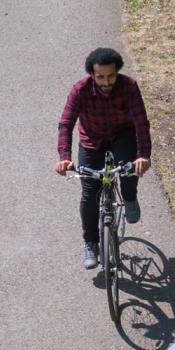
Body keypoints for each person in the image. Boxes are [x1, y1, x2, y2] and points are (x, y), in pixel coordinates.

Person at [53, 47, 150, 270]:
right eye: (100, 77)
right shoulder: (80, 90)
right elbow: (66, 124)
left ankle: (129, 197)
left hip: (122, 135)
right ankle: (91, 243)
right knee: (89, 193)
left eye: (111, 76)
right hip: (92, 140)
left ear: (118, 72)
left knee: (128, 168)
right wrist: (64, 157)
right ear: (92, 75)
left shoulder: (129, 87)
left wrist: (143, 156)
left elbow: (141, 122)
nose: (106, 82)